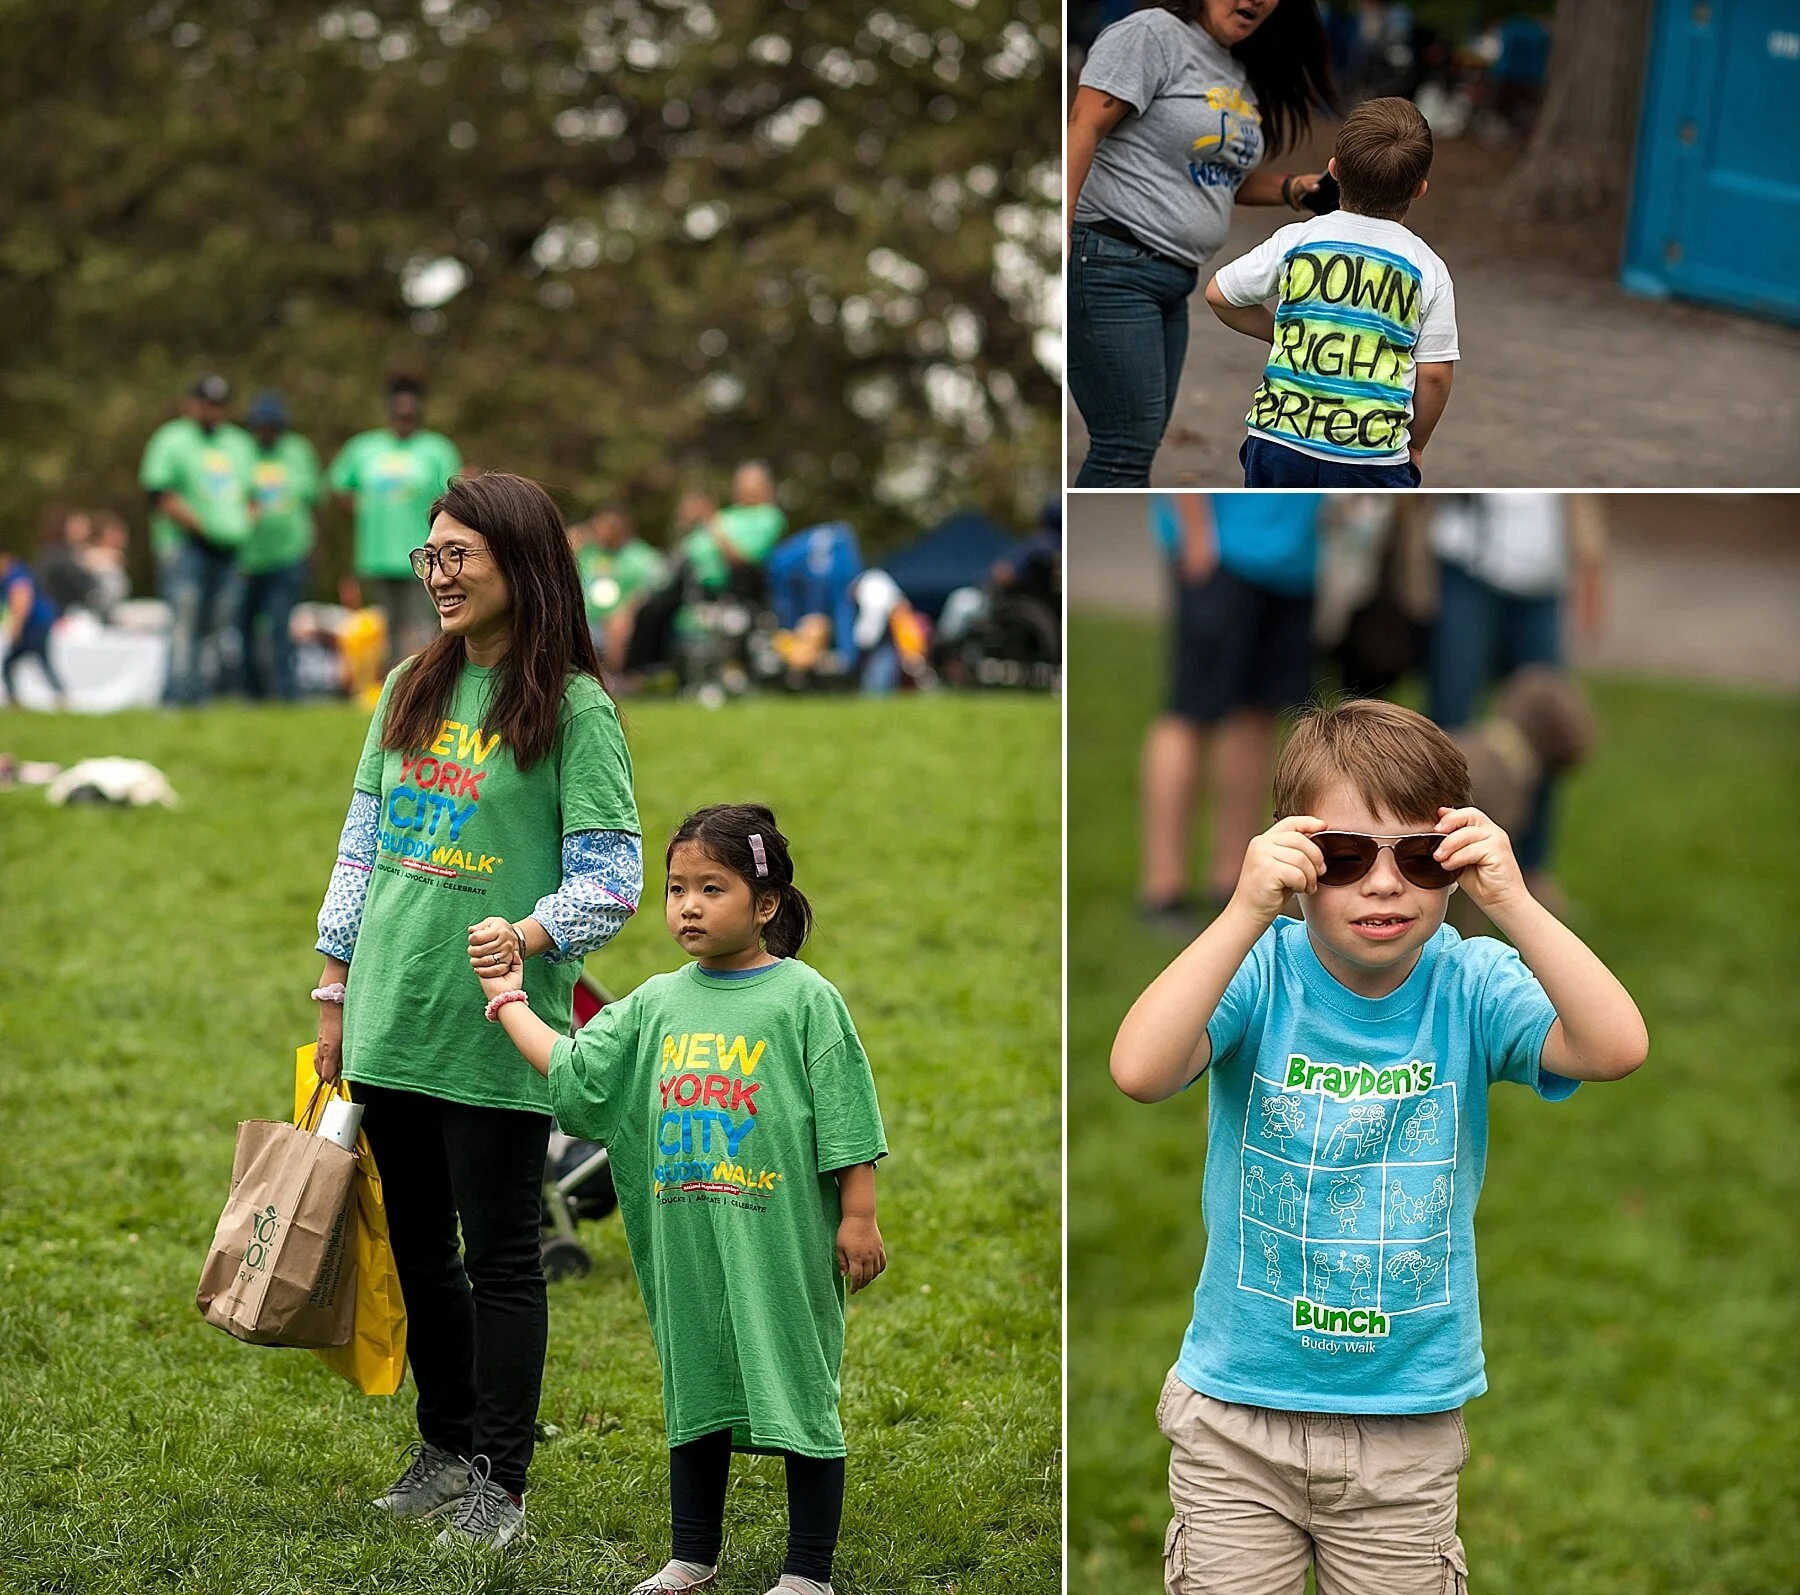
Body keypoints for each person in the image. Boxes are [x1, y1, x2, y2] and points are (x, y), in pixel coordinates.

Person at [1111, 697, 1648, 1594]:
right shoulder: (1261, 970)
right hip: (1239, 1417)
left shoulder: (1472, 982)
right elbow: (1140, 1067)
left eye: (1423, 855)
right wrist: (1245, 909)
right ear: (1296, 856)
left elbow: (1615, 1045)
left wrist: (1512, 902)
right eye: (1349, 856)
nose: (1386, 883)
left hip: (1405, 1427)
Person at [310, 471, 642, 1550]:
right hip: (393, 1011)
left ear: (522, 563)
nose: (439, 576)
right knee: (417, 1245)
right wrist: (333, 988)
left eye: (461, 556)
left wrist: (534, 934)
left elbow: (612, 875)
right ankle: (445, 1443)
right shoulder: (408, 681)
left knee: (502, 1254)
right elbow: (361, 847)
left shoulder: (574, 708)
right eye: (431, 557)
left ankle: (503, 1482)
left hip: (497, 1021)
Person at [473, 802, 888, 1595]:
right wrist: (508, 1000)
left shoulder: (805, 999)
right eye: (675, 888)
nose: (688, 905)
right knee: (693, 1381)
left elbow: (848, 1117)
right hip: (686, 1238)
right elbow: (575, 1074)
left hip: (782, 1239)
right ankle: (692, 1553)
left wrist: (858, 1214)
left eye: (712, 887)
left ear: (765, 905)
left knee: (796, 1380)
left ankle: (809, 1571)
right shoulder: (657, 1002)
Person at [1067, 0, 1337, 486]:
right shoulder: (1151, 35)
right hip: (1112, 262)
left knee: (1135, 447)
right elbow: (1083, 125)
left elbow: (1214, 176)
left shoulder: (1235, 69)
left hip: (1171, 281)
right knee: (1123, 449)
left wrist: (1295, 189)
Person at [1205, 96, 1458, 487]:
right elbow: (1436, 375)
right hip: (1371, 456)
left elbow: (1220, 293)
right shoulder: (1427, 268)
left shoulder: (1300, 239)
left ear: (1334, 170)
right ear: (1420, 188)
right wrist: (1417, 444)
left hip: (1279, 441)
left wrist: (1283, 333)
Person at [1139, 493, 1322, 938]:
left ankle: (1231, 882)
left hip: (1293, 565)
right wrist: (1198, 537)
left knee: (1257, 717)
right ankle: (1163, 890)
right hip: (1221, 556)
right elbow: (1185, 457)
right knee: (1189, 714)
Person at [1421, 493, 1607, 903]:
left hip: (1544, 574)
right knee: (1447, 731)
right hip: (1467, 561)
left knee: (1544, 739)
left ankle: (1530, 872)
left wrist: (1591, 564)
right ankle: (1429, 865)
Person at [138, 374, 259, 704]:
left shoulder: (239, 443)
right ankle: (177, 696)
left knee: (218, 625)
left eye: (218, 404)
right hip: (186, 546)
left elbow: (253, 496)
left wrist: (241, 526)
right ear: (190, 404)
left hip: (229, 549)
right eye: (206, 403)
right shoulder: (171, 439)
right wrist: (205, 527)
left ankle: (203, 695)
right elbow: (160, 495)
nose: (211, 411)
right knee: (184, 622)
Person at [327, 375, 463, 665]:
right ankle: (390, 685)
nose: (405, 417)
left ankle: (424, 680)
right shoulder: (364, 447)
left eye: (410, 413)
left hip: (422, 553)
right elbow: (338, 484)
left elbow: (453, 497)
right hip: (376, 554)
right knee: (383, 627)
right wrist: (367, 511)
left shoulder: (437, 449)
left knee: (420, 624)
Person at [623, 464, 787, 675]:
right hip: (682, 571)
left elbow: (742, 560)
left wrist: (711, 519)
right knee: (643, 608)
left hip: (717, 586)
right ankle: (641, 671)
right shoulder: (729, 514)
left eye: (750, 485)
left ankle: (639, 673)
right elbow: (689, 545)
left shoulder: (767, 516)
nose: (743, 490)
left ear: (765, 488)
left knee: (652, 613)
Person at [237, 392, 322, 701]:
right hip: (246, 557)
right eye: (261, 426)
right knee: (243, 627)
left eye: (272, 426)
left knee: (281, 626)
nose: (266, 432)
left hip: (289, 555)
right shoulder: (240, 451)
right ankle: (251, 692)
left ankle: (285, 692)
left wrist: (312, 545)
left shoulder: (298, 451)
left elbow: (313, 502)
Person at [572, 504, 667, 671]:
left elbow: (653, 589)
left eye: (606, 526)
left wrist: (627, 611)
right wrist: (581, 535)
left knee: (617, 626)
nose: (600, 532)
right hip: (584, 618)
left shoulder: (640, 557)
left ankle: (614, 678)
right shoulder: (588, 552)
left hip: (620, 621)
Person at [1, 549, 64, 707]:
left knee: (14, 662)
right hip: (39, 623)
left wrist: (16, 627)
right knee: (39, 661)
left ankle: (60, 695)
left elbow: (21, 602)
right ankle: (60, 695)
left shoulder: (15, 575)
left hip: (35, 624)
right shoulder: (17, 573)